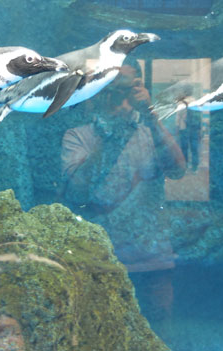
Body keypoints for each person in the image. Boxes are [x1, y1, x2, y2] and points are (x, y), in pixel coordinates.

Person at [60, 62, 186, 317]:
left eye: (127, 88)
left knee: (158, 328)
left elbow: (177, 170)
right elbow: (78, 189)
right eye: (113, 89)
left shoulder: (152, 131)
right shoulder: (78, 136)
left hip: (152, 257)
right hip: (99, 259)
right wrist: (111, 135)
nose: (121, 97)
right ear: (100, 93)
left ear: (140, 89)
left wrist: (150, 115)